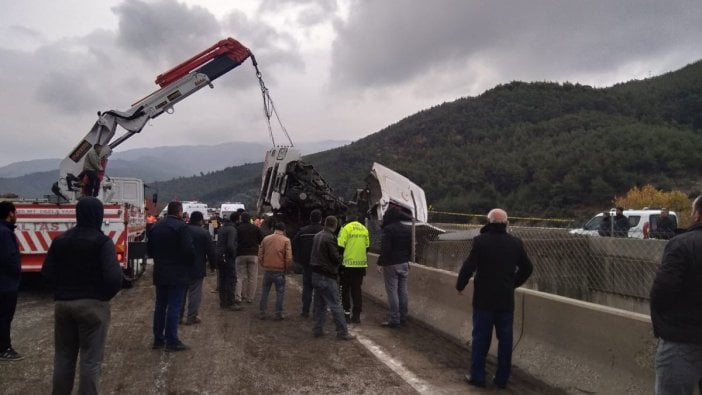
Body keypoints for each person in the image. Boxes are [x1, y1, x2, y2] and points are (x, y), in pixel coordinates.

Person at [41, 197, 123, 394]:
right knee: (90, 360)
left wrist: (61, 291)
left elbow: (46, 273)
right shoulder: (102, 242)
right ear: (99, 215)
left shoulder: (60, 240)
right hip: (93, 305)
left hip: (63, 305)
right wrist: (103, 297)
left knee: (63, 357)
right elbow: (113, 278)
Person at [456, 208, 533, 389]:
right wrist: (513, 284)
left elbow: (469, 266)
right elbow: (527, 268)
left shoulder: (480, 241)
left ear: (488, 222)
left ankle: (477, 376)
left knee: (481, 338)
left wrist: (460, 285)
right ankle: (501, 380)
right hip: (505, 301)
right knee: (505, 340)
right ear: (506, 223)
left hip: (483, 300)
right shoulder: (515, 243)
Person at [650, 195, 702, 394]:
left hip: (683, 339)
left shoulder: (683, 244)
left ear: (697, 215)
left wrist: (667, 324)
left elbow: (663, 291)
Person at [147, 201, 195, 352]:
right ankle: (172, 341)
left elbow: (149, 250)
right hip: (178, 272)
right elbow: (188, 250)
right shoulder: (181, 227)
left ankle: (158, 340)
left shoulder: (155, 226)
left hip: (160, 271)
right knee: (174, 306)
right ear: (180, 211)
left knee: (160, 306)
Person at [309, 216, 355, 340]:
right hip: (327, 275)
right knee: (335, 304)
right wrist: (342, 259)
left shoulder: (318, 235)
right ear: (335, 225)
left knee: (319, 304)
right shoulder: (330, 238)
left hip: (316, 274)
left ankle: (318, 329)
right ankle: (342, 332)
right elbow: (335, 258)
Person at [377, 207, 412, 328]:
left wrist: (380, 262)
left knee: (392, 292)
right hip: (404, 263)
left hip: (391, 263)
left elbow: (385, 249)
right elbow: (410, 247)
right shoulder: (406, 229)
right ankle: (403, 317)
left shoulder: (388, 229)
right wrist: (407, 260)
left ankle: (394, 319)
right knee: (403, 291)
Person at [182, 211, 216, 325]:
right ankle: (191, 316)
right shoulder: (204, 233)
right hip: (197, 266)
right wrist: (213, 266)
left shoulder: (183, 230)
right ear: (200, 220)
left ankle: (178, 316)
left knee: (181, 292)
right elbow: (210, 251)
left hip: (182, 266)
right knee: (195, 293)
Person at [0, 201, 22, 361]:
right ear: (10, 214)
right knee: (5, 317)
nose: (16, 215)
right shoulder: (5, 233)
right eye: (15, 212)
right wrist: (17, 271)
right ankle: (4, 348)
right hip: (6, 284)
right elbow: (9, 258)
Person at [337, 215, 370, 324]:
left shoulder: (345, 228)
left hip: (347, 265)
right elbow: (367, 247)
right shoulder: (364, 229)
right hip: (360, 266)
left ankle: (346, 314)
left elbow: (340, 247)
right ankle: (356, 316)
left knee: (344, 290)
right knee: (357, 290)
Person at [292, 209, 324, 318]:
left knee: (307, 289)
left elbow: (294, 244)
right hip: (320, 267)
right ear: (321, 219)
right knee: (319, 291)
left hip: (307, 265)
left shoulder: (303, 231)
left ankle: (305, 311)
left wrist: (299, 259)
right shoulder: (325, 232)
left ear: (310, 218)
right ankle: (316, 312)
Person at [258, 222, 292, 320]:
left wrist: (264, 264)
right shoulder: (286, 240)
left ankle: (262, 312)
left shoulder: (266, 239)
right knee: (280, 292)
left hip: (268, 269)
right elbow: (289, 258)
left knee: (265, 291)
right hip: (280, 270)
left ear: (274, 229)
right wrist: (287, 268)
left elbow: (260, 255)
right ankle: (278, 313)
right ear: (284, 230)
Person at [235, 212, 263, 305]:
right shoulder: (255, 228)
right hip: (253, 254)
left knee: (239, 277)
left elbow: (235, 241)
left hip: (240, 254)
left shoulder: (238, 229)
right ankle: (250, 298)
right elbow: (261, 240)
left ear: (241, 219)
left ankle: (238, 297)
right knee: (252, 277)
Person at [217, 213, 241, 311]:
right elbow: (230, 244)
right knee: (231, 279)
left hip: (220, 256)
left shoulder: (222, 228)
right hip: (228, 257)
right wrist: (234, 254)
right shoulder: (232, 229)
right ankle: (231, 302)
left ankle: (223, 302)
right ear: (236, 220)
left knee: (222, 280)